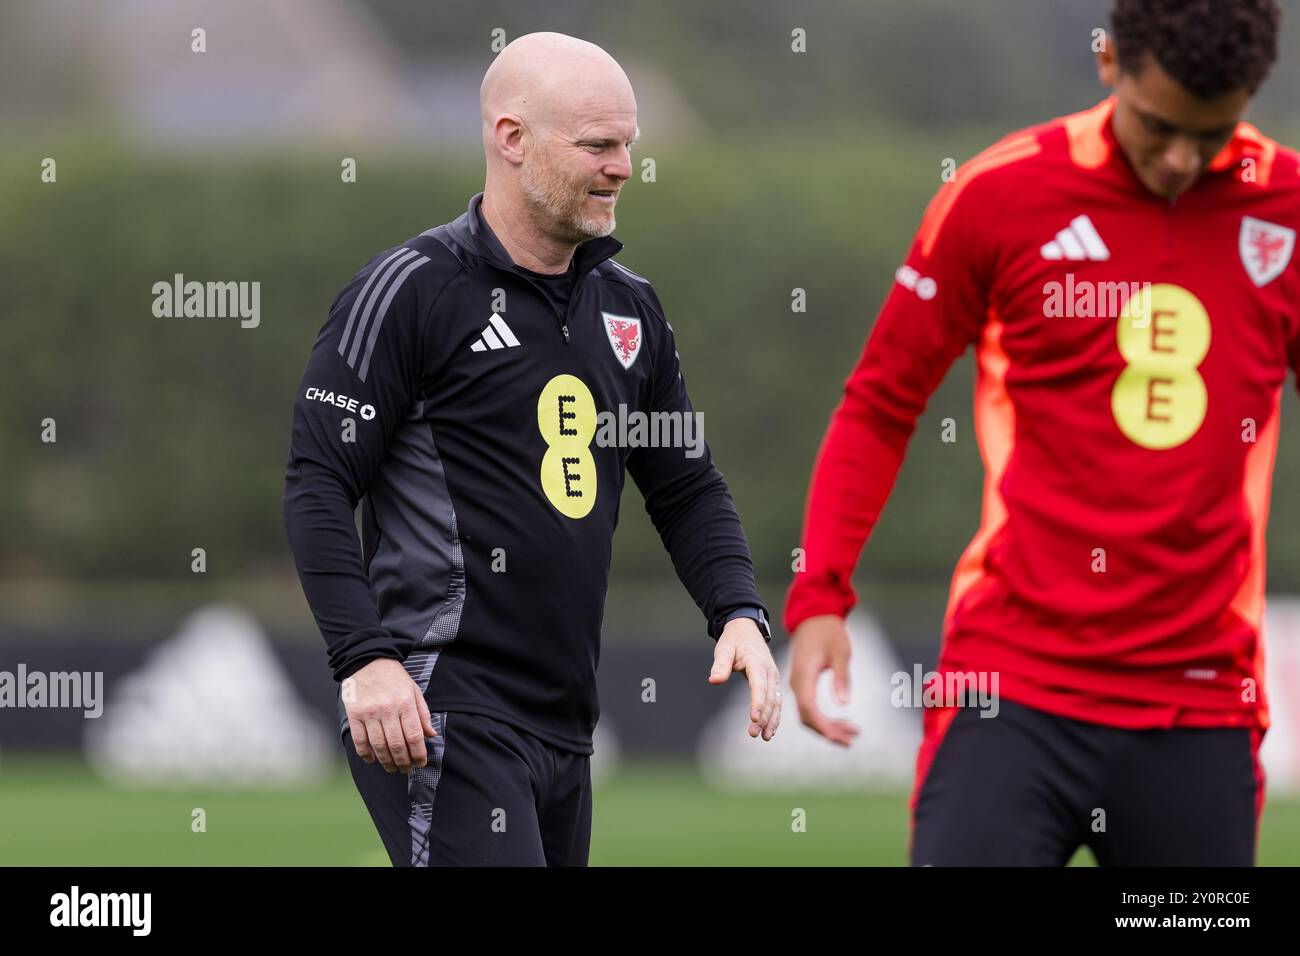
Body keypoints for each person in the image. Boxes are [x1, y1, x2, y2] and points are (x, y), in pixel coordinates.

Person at [784, 0, 1294, 865]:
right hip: (1011, 687)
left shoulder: (1285, 206)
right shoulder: (1000, 193)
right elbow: (880, 402)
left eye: (1210, 136)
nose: (1180, 160)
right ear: (1109, 64)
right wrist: (821, 593)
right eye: (1159, 127)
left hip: (1200, 701)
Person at [282, 31, 780, 867]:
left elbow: (687, 486)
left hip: (565, 724)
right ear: (511, 138)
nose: (624, 166)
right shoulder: (412, 289)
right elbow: (318, 481)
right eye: (599, 144)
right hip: (440, 704)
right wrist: (364, 658)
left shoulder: (632, 311)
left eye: (629, 144)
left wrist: (737, 610)